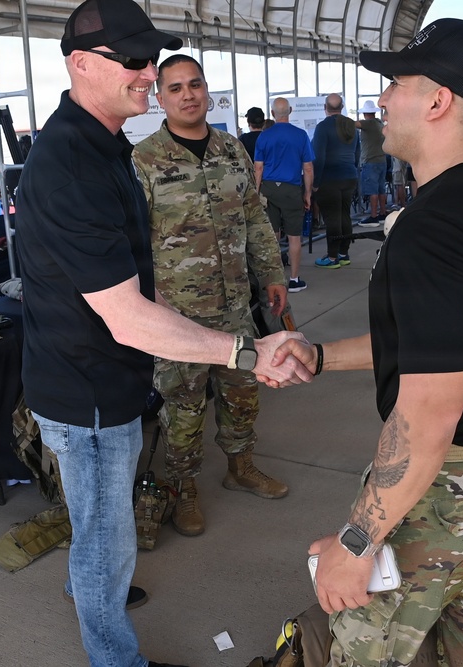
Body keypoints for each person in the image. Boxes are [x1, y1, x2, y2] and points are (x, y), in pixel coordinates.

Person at [12, 2, 310, 666]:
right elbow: (126, 315)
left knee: (98, 532)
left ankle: (88, 589)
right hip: (86, 390)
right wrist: (244, 348)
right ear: (82, 64)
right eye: (137, 62)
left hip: (104, 375)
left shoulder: (102, 142)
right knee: (106, 539)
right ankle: (116, 656)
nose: (150, 74)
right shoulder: (73, 165)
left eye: (157, 61)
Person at [267, 18, 463, 665]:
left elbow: (428, 409)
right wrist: (320, 355)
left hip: (446, 486)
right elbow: (443, 340)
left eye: (395, 83)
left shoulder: (437, 224)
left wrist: (356, 540)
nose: (382, 99)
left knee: (360, 650)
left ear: (437, 101)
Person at [132, 54, 290, 538]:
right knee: (183, 407)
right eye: (175, 87)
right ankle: (184, 490)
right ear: (160, 98)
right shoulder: (144, 160)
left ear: (207, 90)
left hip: (236, 307)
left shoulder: (232, 150)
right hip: (178, 317)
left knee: (242, 394)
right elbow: (133, 241)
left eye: (194, 84)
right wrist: (149, 300)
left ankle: (240, 467)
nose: (187, 94)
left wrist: (273, 275)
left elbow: (255, 217)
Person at [254, 97, 315, 293]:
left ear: (272, 114)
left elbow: (258, 168)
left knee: (273, 236)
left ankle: (275, 279)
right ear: (290, 111)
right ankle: (294, 279)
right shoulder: (300, 135)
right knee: (294, 237)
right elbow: (308, 168)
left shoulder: (264, 136)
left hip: (269, 189)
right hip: (291, 189)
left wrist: (256, 193)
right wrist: (307, 194)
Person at [312, 93, 360, 269]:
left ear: (325, 107)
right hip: (350, 176)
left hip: (329, 179)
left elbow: (319, 157)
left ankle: (332, 258)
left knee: (332, 218)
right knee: (345, 215)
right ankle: (344, 253)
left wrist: (315, 183)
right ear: (342, 106)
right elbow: (357, 153)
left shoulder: (323, 127)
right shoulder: (351, 125)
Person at [356, 100, 387, 225]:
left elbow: (352, 124)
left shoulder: (367, 124)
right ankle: (382, 213)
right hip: (381, 160)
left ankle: (373, 216)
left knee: (372, 190)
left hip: (371, 161)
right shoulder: (379, 123)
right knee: (381, 189)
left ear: (365, 114)